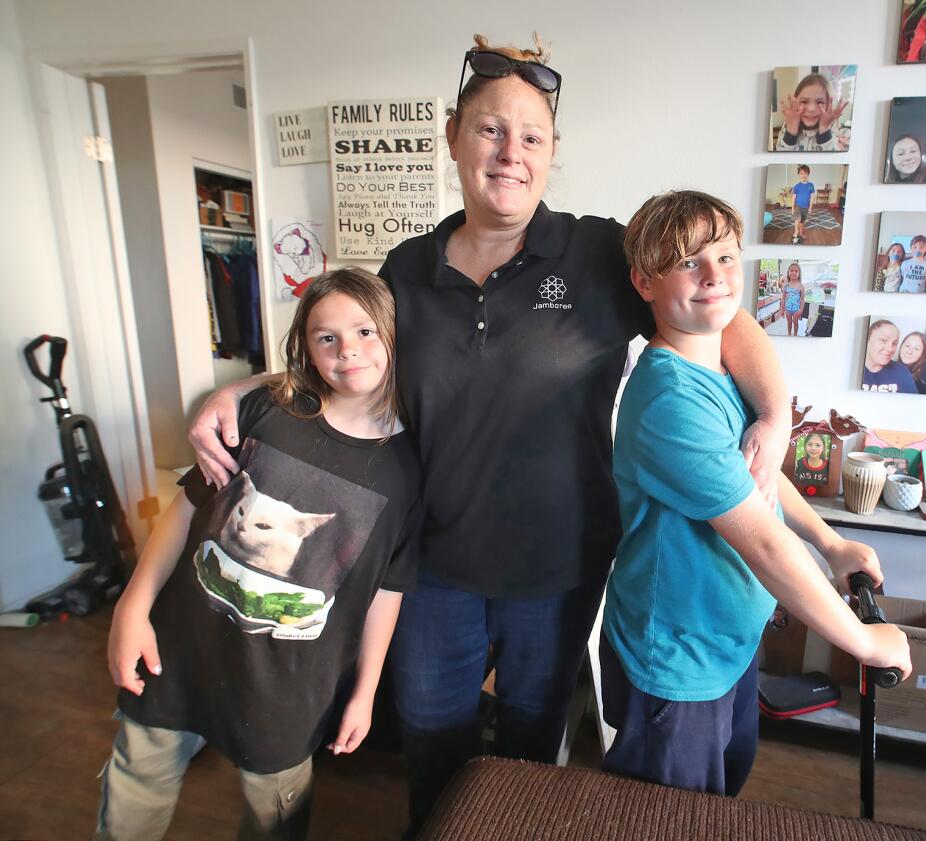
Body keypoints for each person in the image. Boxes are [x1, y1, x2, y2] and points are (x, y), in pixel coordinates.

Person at [188, 35, 790, 837]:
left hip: (558, 566)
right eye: (490, 131)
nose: (510, 153)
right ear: (454, 140)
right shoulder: (406, 268)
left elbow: (722, 307)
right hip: (434, 567)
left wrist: (777, 413)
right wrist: (239, 388)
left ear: (550, 154)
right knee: (432, 745)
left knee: (532, 754)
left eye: (531, 137)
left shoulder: (596, 252)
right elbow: (349, 358)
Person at [600, 189, 911, 796]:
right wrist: (861, 643)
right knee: (669, 818)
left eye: (725, 257)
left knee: (725, 791)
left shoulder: (720, 366)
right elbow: (765, 546)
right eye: (689, 262)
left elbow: (758, 473)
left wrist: (830, 541)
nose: (714, 276)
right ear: (645, 283)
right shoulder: (671, 399)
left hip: (727, 644)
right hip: (679, 660)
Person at [98, 268, 420, 840]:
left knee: (275, 821)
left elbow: (388, 589)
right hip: (177, 658)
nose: (349, 350)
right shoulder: (263, 414)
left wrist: (366, 691)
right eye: (327, 337)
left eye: (366, 331)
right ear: (306, 349)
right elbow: (186, 511)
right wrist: (132, 607)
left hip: (290, 692)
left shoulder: (410, 469)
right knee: (132, 800)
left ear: (395, 333)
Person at [774, 73, 848, 152]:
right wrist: (791, 131)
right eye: (804, 101)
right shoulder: (787, 125)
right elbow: (780, 157)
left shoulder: (832, 127)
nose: (811, 109)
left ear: (828, 105)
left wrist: (824, 129)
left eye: (819, 102)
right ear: (794, 102)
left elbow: (832, 160)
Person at [862, 319, 918, 394]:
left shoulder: (901, 371)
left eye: (894, 343)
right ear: (867, 340)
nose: (890, 349)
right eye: (883, 340)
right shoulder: (850, 369)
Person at [789, 164, 815, 243]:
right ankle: (796, 231)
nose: (803, 175)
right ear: (799, 174)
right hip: (798, 206)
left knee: (802, 222)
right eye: (801, 173)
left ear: (808, 174)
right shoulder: (797, 186)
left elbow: (812, 197)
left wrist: (810, 207)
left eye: (805, 173)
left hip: (806, 207)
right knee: (798, 218)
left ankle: (801, 232)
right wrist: (792, 208)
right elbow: (793, 197)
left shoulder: (811, 185)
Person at [782, 262, 803, 336]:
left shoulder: (801, 286)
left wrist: (801, 309)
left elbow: (802, 299)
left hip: (796, 309)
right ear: (788, 272)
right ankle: (789, 334)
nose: (794, 272)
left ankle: (795, 334)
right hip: (788, 309)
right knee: (789, 322)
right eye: (791, 270)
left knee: (795, 322)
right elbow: (783, 299)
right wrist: (782, 310)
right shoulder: (786, 286)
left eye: (796, 271)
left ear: (799, 273)